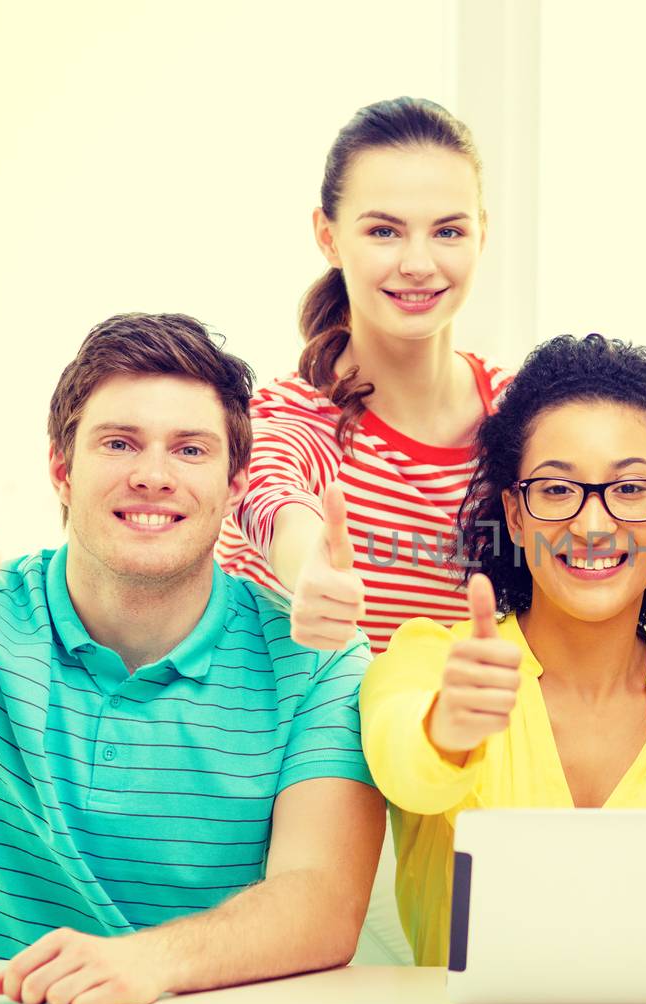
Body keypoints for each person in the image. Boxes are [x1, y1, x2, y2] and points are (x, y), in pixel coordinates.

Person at [0, 314, 383, 1004]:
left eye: (189, 449)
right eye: (119, 443)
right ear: (62, 470)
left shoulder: (315, 663)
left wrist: (146, 962)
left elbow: (323, 903)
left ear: (237, 484)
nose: (153, 475)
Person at [359, 334, 646, 1004]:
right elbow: (401, 759)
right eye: (558, 488)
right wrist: (447, 726)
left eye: (629, 488)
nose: (594, 524)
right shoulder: (428, 662)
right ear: (515, 510)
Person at [216, 97, 508, 655]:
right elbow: (273, 499)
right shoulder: (286, 418)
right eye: (384, 232)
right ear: (328, 237)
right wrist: (312, 572)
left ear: (482, 235)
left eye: (448, 232)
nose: (419, 263)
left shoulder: (523, 412)